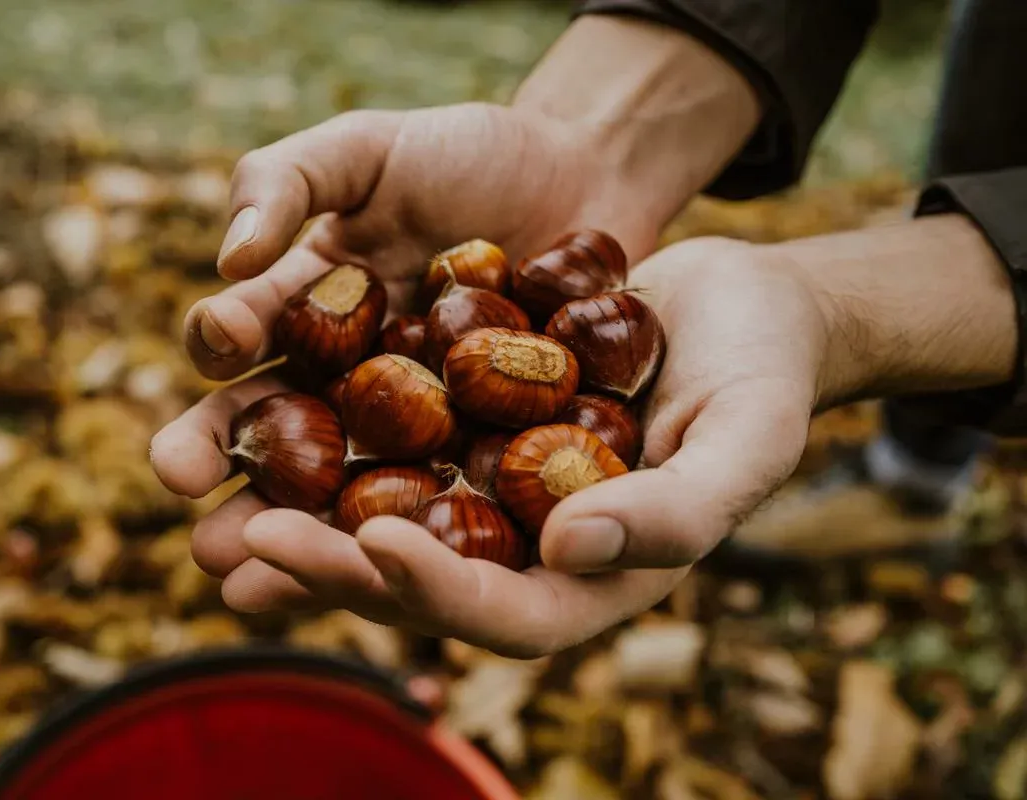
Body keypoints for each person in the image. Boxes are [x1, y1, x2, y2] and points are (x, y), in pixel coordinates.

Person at [149, 1, 1027, 657]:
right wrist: (586, 138)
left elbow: (470, 379)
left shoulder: (500, 376)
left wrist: (825, 310)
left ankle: (915, 480)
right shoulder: (494, 365)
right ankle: (917, 466)